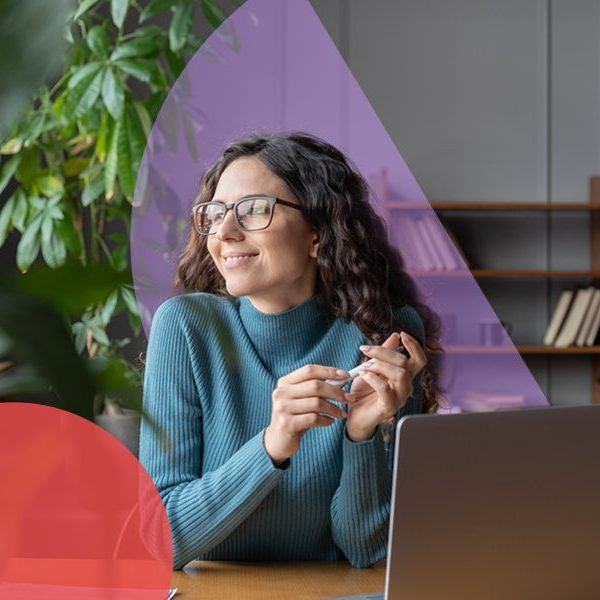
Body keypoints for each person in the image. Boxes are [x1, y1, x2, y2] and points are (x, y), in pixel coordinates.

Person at [139, 131, 443, 570]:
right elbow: (158, 542)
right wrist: (272, 444)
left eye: (254, 210)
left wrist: (361, 435)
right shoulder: (186, 328)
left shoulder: (386, 336)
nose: (224, 232)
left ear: (317, 234)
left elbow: (367, 549)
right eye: (215, 213)